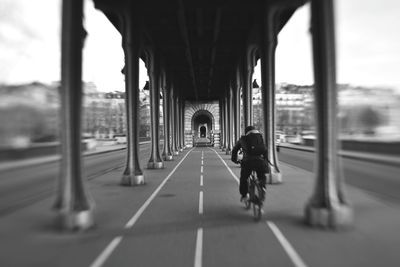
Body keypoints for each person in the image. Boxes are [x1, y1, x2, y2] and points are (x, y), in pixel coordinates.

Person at [231, 125, 268, 203]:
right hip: (260, 162)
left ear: (246, 132)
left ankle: (244, 196)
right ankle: (262, 186)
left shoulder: (243, 139)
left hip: (248, 162)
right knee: (262, 176)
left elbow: (235, 150)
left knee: (244, 178)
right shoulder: (260, 137)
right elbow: (264, 149)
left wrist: (234, 160)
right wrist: (265, 160)